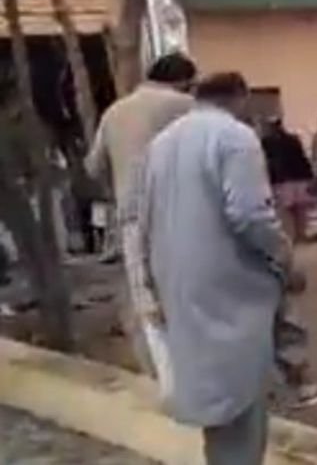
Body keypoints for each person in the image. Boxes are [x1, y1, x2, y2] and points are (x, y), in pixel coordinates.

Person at [140, 72, 287, 464]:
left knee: (215, 401)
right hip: (230, 284)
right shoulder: (235, 137)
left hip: (178, 281)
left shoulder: (161, 144)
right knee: (243, 398)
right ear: (240, 97)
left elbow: (144, 217)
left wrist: (150, 281)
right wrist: (285, 257)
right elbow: (249, 215)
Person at [84, 52, 196, 377]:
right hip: (178, 213)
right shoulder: (183, 106)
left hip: (131, 215)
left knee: (147, 302)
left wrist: (118, 185)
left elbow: (93, 167)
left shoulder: (114, 112)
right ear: (183, 81)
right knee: (188, 293)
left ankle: (164, 379)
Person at [260, 118, 315, 244]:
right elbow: (302, 158)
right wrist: (309, 176)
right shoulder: (292, 140)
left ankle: (291, 236)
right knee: (299, 209)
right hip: (296, 177)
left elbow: (265, 162)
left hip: (281, 179)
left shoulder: (267, 142)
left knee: (286, 210)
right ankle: (300, 234)